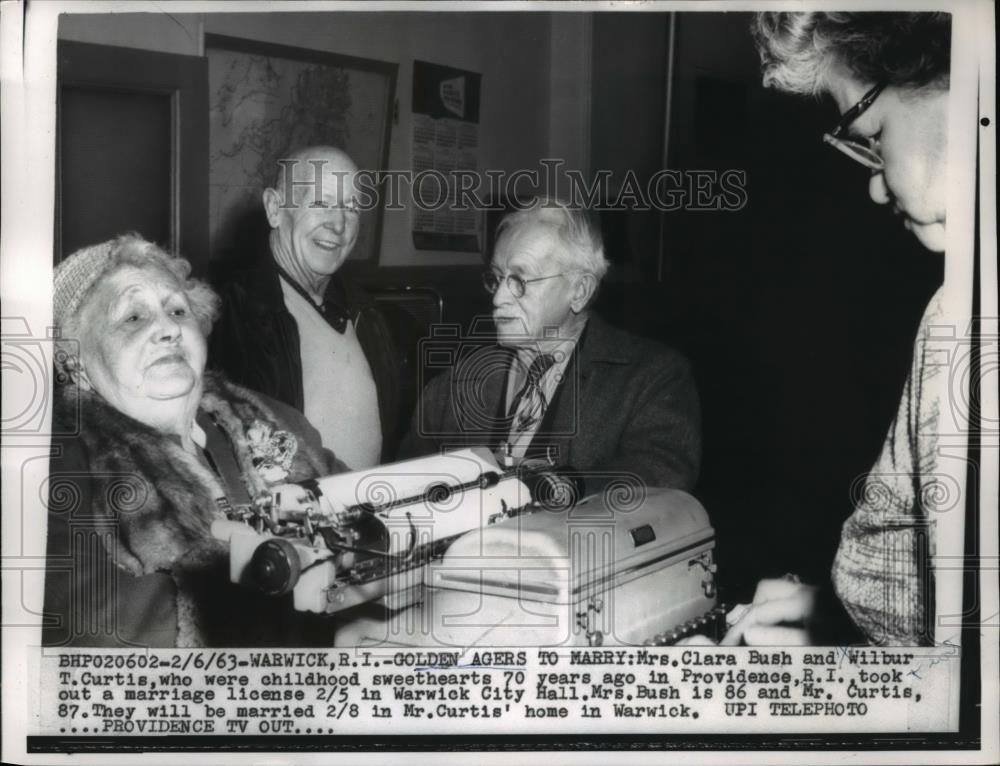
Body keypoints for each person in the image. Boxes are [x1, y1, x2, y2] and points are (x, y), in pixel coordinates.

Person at [724, 11, 952, 646]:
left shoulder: (965, 321)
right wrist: (837, 621)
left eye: (873, 134)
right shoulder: (952, 311)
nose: (876, 189)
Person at [44, 234, 346, 647]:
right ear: (75, 363)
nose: (168, 328)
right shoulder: (54, 471)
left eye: (178, 310)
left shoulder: (281, 424)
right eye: (133, 318)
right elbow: (118, 637)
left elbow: (376, 517)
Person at [400, 200, 701, 494]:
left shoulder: (651, 379)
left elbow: (660, 477)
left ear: (580, 291)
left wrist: (560, 488)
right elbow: (404, 489)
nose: (498, 298)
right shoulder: (450, 388)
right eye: (496, 278)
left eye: (520, 279)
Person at [210, 145, 399, 468]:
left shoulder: (369, 314)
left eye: (351, 208)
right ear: (274, 208)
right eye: (321, 203)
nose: (338, 225)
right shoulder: (226, 317)